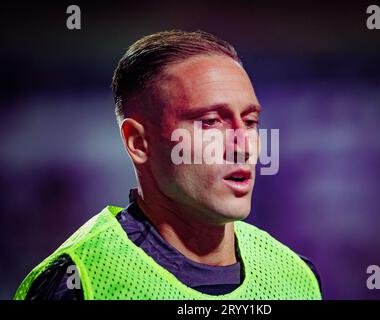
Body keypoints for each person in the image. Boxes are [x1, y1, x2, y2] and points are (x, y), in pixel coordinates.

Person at [14, 30, 322, 300]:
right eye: (211, 122)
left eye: (251, 121)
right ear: (138, 142)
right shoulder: (79, 281)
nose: (243, 147)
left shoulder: (296, 275)